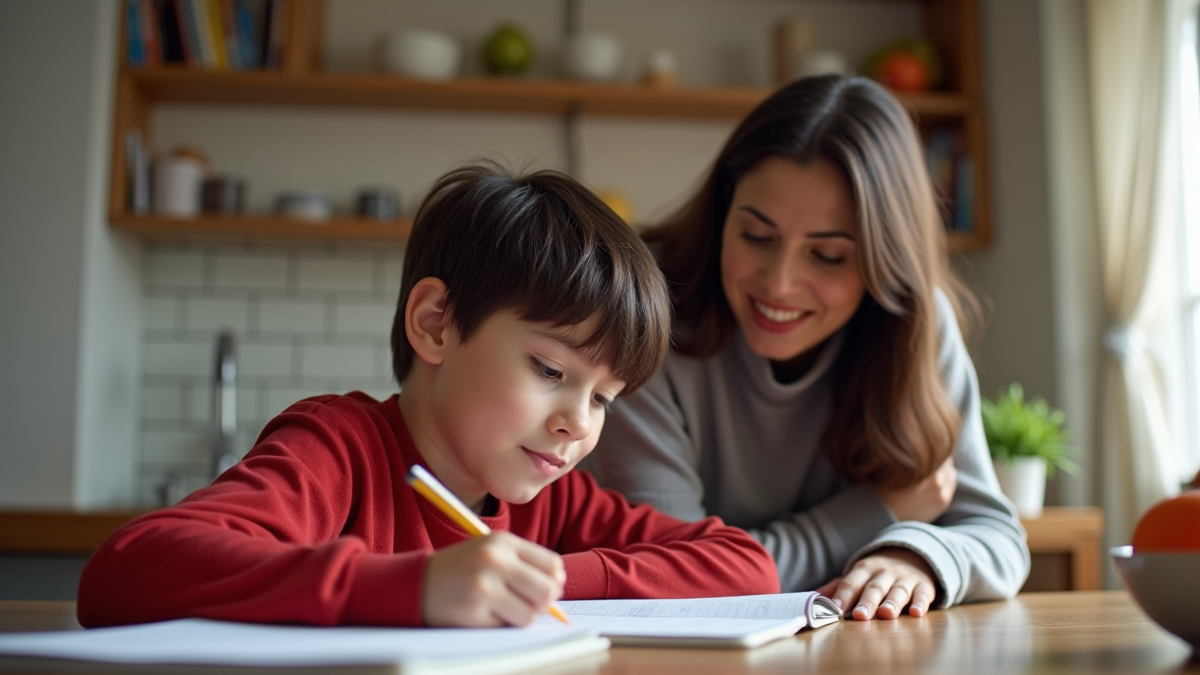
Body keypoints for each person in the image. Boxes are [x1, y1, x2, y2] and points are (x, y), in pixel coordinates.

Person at [77, 164, 780, 630]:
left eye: (604, 399)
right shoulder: (338, 449)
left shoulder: (552, 503)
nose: (577, 425)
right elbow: (124, 571)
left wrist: (548, 580)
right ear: (435, 324)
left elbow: (747, 564)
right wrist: (408, 587)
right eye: (548, 369)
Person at [586, 75, 1030, 621]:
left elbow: (998, 539)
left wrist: (915, 557)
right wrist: (879, 512)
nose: (778, 284)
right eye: (757, 236)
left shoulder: (917, 323)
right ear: (724, 210)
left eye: (828, 256)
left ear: (882, 263)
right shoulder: (645, 312)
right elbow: (672, 575)